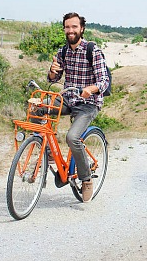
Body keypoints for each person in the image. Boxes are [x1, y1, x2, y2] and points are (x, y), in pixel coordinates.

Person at [46, 12, 110, 202]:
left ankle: (86, 179)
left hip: (88, 104)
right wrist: (52, 72)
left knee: (72, 137)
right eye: (67, 27)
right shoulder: (63, 51)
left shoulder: (93, 51)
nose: (70, 30)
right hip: (68, 98)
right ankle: (48, 151)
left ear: (81, 29)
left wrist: (91, 89)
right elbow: (54, 78)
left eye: (74, 27)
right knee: (40, 108)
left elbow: (104, 80)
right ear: (64, 29)